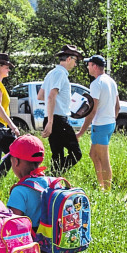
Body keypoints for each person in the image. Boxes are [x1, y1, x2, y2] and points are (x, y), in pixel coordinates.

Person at [40, 45, 83, 174]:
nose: (75, 64)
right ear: (69, 59)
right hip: (57, 120)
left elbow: (40, 95)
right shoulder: (60, 74)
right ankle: (54, 174)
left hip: (51, 118)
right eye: (75, 61)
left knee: (57, 155)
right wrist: (52, 121)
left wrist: (61, 103)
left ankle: (53, 179)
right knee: (76, 153)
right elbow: (51, 96)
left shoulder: (51, 73)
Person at [79, 54, 119, 190]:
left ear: (95, 66)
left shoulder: (96, 84)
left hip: (101, 125)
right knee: (93, 154)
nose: (87, 68)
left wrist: (80, 132)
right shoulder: (111, 81)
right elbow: (117, 106)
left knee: (103, 158)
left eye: (89, 65)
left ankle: (107, 191)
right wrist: (112, 120)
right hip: (109, 124)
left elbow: (92, 110)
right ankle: (101, 185)